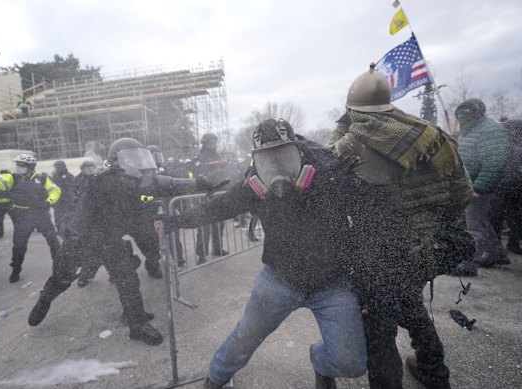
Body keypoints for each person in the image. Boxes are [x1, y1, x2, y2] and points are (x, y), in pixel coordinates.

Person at [163, 118, 412, 389]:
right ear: (257, 161)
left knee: (351, 363)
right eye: (268, 160)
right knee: (244, 337)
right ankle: (216, 377)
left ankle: (320, 361)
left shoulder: (330, 173)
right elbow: (217, 208)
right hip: (279, 279)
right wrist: (173, 221)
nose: (277, 168)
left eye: (283, 155)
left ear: (299, 150)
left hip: (332, 285)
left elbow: (372, 207)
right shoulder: (253, 185)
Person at [328, 63, 473, 389]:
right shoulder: (430, 134)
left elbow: (332, 192)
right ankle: (435, 375)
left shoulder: (355, 144)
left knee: (380, 328)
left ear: (353, 108)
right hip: (431, 249)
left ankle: (398, 381)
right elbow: (462, 193)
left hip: (384, 254)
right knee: (411, 306)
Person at [28, 138, 213, 346]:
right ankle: (45, 300)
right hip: (83, 239)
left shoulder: (135, 181)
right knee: (62, 277)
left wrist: (197, 184)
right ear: (117, 161)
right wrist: (69, 231)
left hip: (110, 238)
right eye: (131, 159)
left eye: (139, 158)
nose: (136, 163)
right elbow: (84, 216)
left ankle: (136, 323)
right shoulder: (103, 182)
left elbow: (164, 184)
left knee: (127, 278)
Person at [0, 154, 61, 283]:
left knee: (53, 242)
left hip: (41, 215)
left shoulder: (42, 178)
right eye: (18, 165)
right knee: (19, 246)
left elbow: (55, 190)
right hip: (22, 216)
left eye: (21, 165)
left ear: (30, 167)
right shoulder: (12, 178)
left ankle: (60, 268)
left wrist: (49, 201)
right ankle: (16, 269)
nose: (18, 167)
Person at [454, 98, 509, 274]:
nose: (462, 118)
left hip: (480, 186)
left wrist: (479, 187)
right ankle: (496, 253)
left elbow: (494, 162)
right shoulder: (468, 131)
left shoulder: (490, 130)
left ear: (476, 113)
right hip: (469, 183)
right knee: (481, 221)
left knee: (475, 227)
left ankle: (469, 265)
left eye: (466, 115)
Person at [191, 133, 229, 264]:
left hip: (218, 192)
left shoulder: (216, 155)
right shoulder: (200, 157)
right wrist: (218, 170)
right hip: (205, 194)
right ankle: (202, 255)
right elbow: (199, 175)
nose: (215, 144)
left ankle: (217, 249)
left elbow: (221, 172)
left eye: (215, 142)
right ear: (206, 143)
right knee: (204, 225)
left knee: (219, 222)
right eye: (213, 142)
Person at [489, 119, 522, 255]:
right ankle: (499, 247)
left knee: (510, 217)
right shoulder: (500, 145)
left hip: (512, 187)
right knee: (499, 217)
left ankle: (505, 245)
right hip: (504, 186)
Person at [51, 160, 76, 232]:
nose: (55, 169)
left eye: (56, 167)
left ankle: (68, 230)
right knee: (58, 217)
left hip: (68, 201)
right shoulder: (54, 177)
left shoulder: (69, 176)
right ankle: (59, 230)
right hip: (58, 201)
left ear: (60, 168)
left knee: (68, 217)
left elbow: (72, 188)